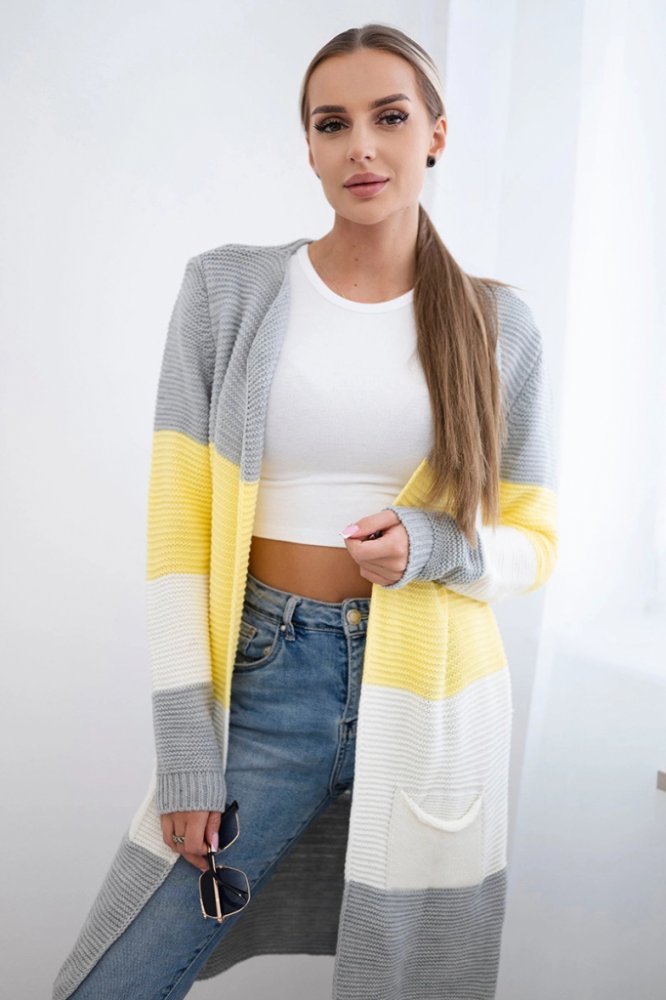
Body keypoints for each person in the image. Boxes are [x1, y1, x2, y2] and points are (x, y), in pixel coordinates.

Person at [53, 22, 558, 1000]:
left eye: (389, 117)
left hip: (431, 695)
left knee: (411, 980)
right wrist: (186, 755)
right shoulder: (229, 291)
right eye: (333, 124)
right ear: (311, 148)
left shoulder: (502, 327)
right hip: (268, 677)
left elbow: (536, 544)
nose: (361, 146)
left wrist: (434, 544)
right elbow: (178, 539)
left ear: (436, 135)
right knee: (113, 978)